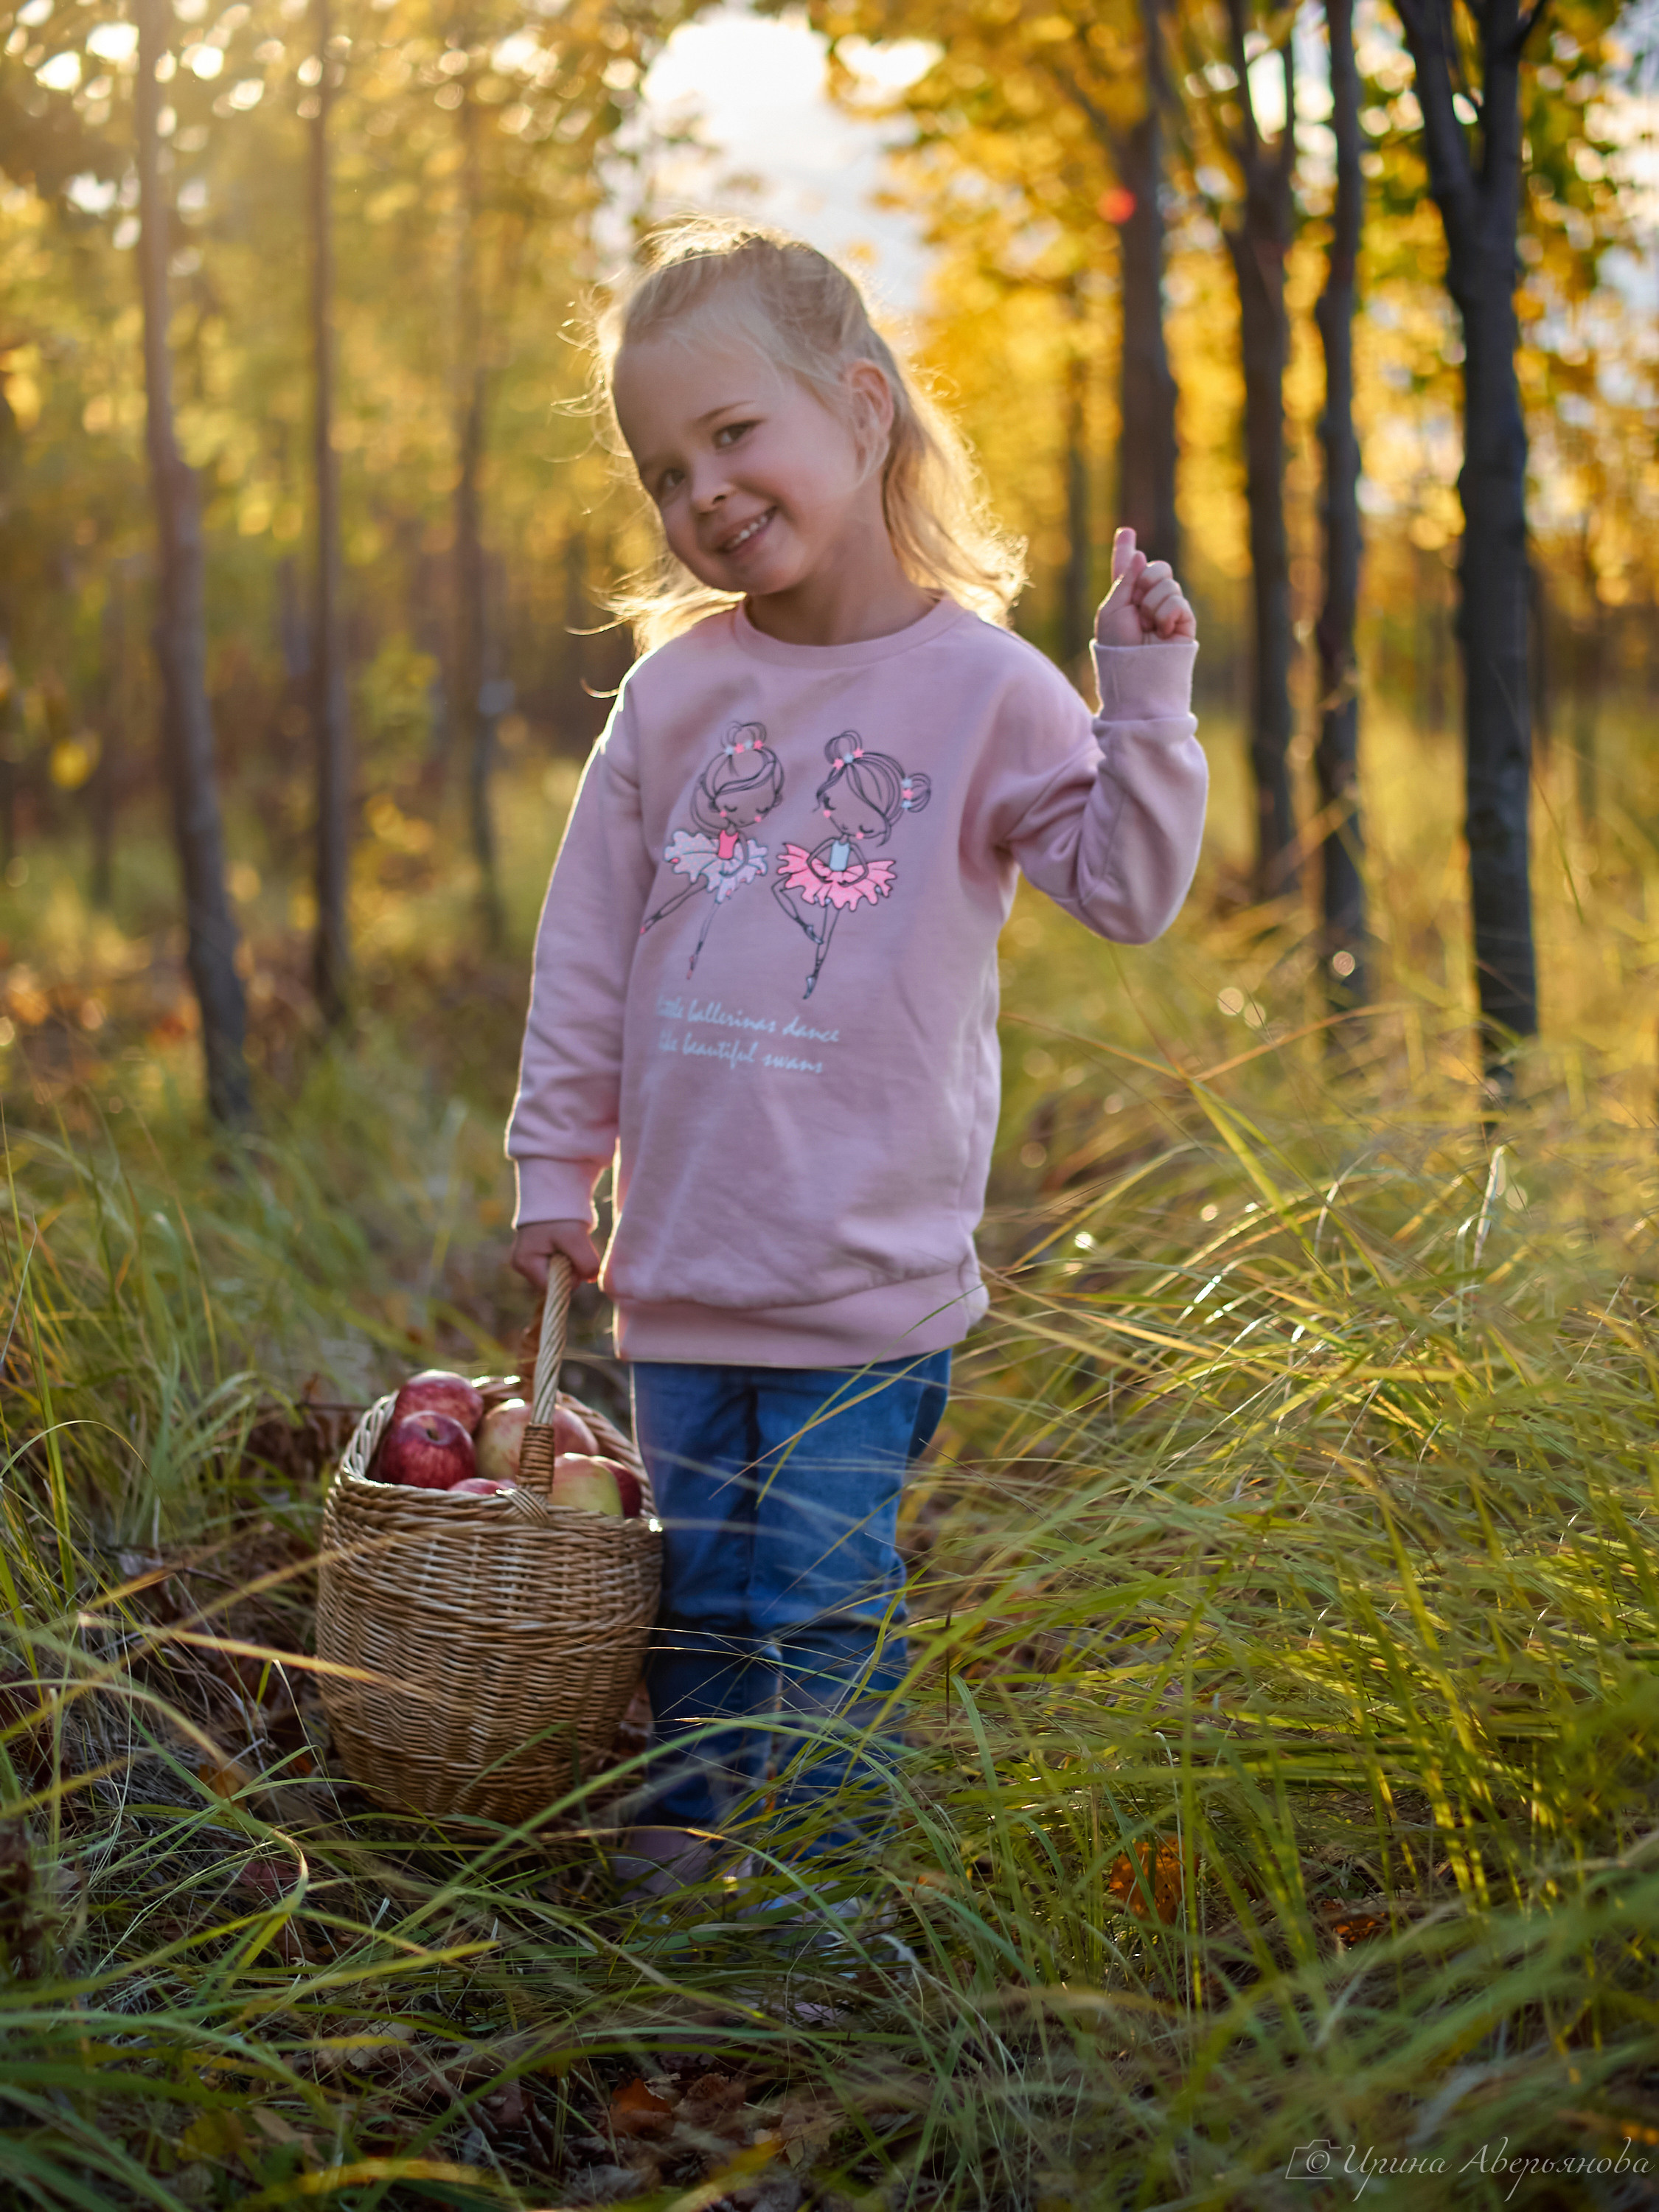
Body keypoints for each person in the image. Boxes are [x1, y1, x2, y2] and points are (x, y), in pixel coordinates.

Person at [507, 218, 1206, 1899]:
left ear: (864, 411)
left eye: (734, 434)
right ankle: (682, 1858)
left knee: (820, 1600)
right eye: (668, 471)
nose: (706, 494)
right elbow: (586, 950)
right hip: (680, 1265)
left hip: (864, 1276)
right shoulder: (675, 701)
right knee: (696, 1588)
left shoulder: (987, 691)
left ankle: (817, 1913)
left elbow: (1127, 888)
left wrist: (1146, 694)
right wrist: (551, 1167)